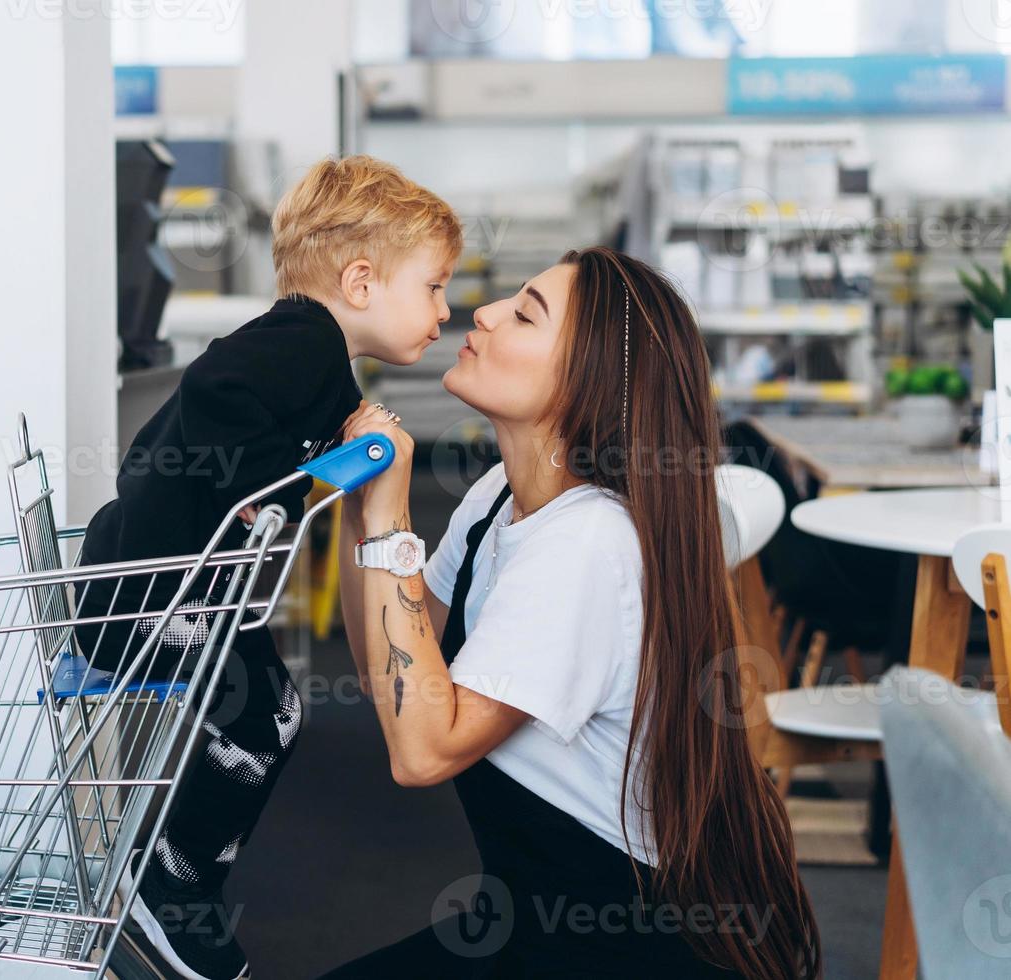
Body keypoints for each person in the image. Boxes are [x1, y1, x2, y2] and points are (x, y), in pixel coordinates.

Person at [327, 247, 822, 978]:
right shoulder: (498, 495)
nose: (485, 314)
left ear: (586, 382)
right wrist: (358, 509)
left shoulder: (588, 542)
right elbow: (393, 674)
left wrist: (394, 514)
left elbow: (423, 750)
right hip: (524, 924)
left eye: (525, 314)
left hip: (621, 949)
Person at [73, 156, 463, 980]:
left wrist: (320, 458)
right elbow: (212, 391)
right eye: (432, 287)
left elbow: (165, 437)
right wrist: (243, 487)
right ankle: (170, 884)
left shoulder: (315, 354)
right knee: (268, 717)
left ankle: (177, 881)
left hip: (150, 583)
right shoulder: (301, 343)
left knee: (274, 714)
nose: (445, 310)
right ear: (362, 281)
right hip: (146, 594)